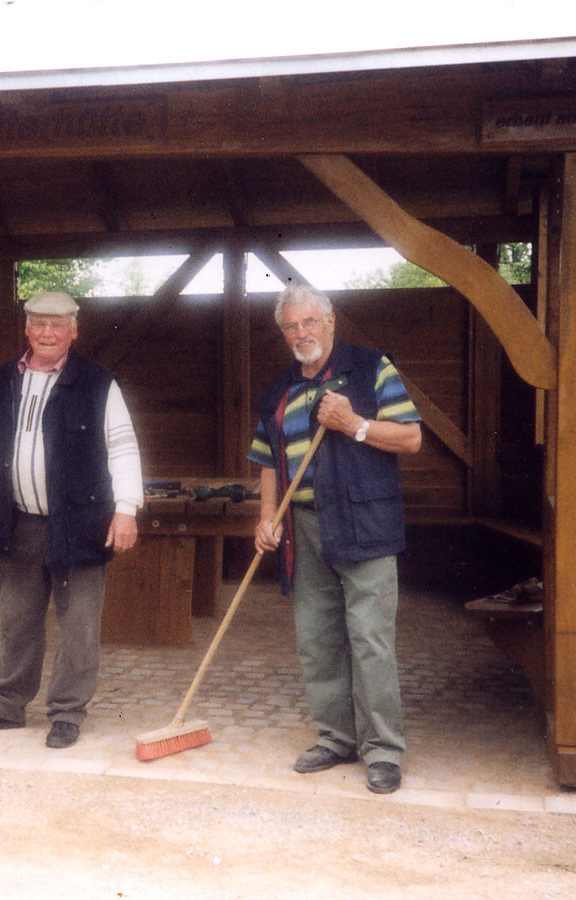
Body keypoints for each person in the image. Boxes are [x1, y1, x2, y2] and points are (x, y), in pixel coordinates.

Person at [249, 285, 421, 794]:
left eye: (310, 322)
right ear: (284, 334)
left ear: (329, 322)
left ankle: (383, 751)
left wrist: (354, 424)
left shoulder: (371, 368)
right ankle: (335, 738)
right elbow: (264, 459)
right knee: (317, 640)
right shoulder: (279, 390)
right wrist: (266, 517)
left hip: (365, 522)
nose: (302, 333)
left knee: (369, 639)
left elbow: (411, 438)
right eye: (291, 326)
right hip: (303, 527)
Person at [0, 290, 143, 749]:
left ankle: (67, 713)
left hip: (81, 525)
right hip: (18, 522)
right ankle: (6, 707)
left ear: (74, 331)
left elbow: (123, 447)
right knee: (16, 621)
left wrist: (126, 509)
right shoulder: (1, 382)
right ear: (26, 328)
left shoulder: (100, 383)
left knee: (79, 624)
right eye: (39, 322)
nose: (47, 332)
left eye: (57, 324)